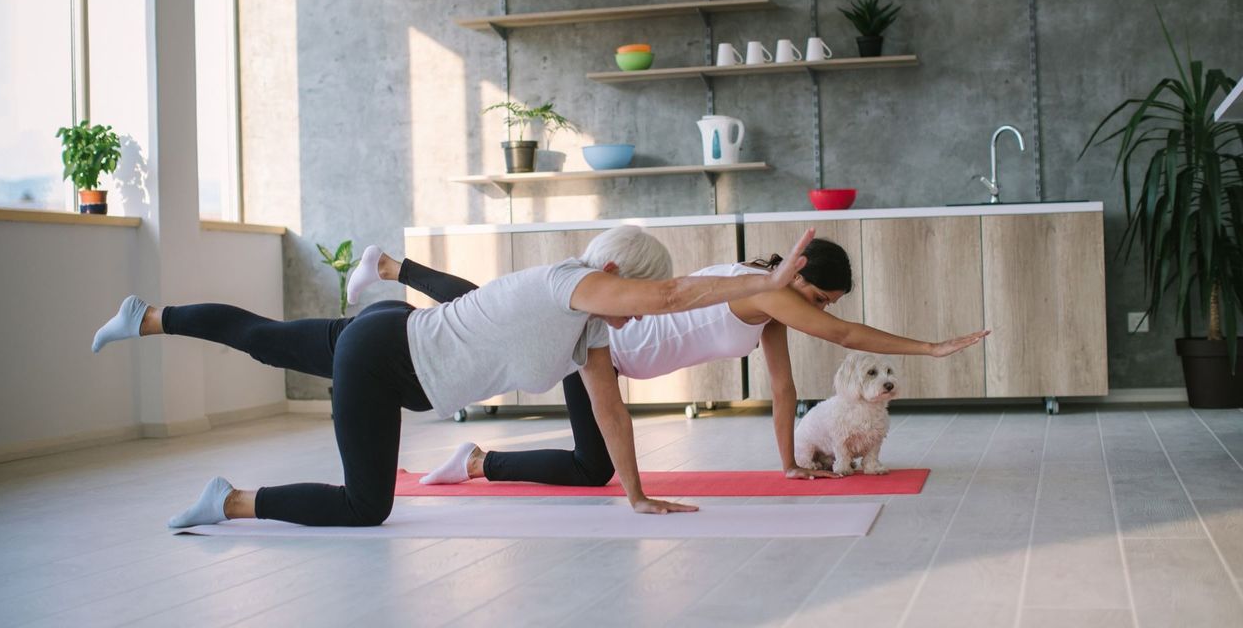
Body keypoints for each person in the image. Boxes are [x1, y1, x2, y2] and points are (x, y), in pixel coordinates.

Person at [91, 225, 816, 527]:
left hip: (393, 334)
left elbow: (612, 416)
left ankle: (150, 316)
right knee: (364, 504)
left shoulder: (591, 334)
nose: (638, 320)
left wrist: (636, 495)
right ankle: (230, 502)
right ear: (615, 275)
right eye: (634, 302)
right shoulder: (574, 284)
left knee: (265, 340)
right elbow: (668, 297)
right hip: (388, 362)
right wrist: (765, 283)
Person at [347, 237, 987, 487]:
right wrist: (930, 348)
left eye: (824, 302)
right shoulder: (763, 289)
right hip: (602, 349)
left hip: (613, 350)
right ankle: (480, 463)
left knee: (482, 306)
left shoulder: (767, 302)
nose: (819, 312)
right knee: (590, 464)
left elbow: (784, 388)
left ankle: (392, 270)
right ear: (798, 281)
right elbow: (845, 336)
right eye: (818, 297)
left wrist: (788, 462)